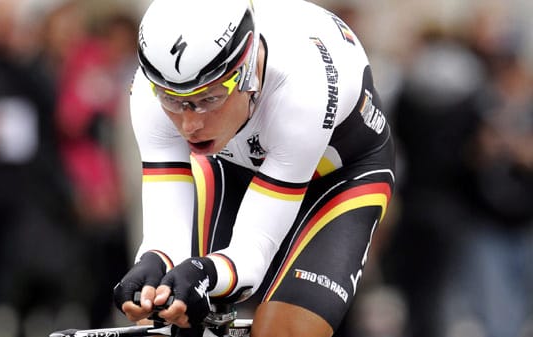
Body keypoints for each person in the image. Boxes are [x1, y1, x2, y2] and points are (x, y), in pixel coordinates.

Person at [112, 0, 395, 336]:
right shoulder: (148, 90)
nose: (189, 124)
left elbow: (253, 251)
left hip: (339, 175)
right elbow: (166, 226)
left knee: (285, 330)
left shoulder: (301, 87)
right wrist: (153, 263)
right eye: (172, 101)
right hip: (231, 162)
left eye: (209, 99)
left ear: (246, 72)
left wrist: (205, 272)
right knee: (166, 314)